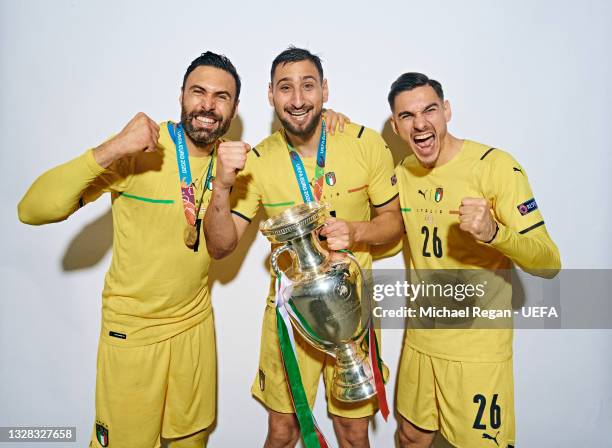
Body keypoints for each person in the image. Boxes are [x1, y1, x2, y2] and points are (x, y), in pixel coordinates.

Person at [203, 47, 403, 448]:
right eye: (285, 88)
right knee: (283, 430)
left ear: (325, 90)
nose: (297, 99)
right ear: (270, 95)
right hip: (291, 319)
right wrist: (222, 185)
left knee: (352, 431)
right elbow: (221, 245)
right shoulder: (257, 160)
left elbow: (394, 225)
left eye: (308, 86)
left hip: (352, 312)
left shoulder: (364, 144)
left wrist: (358, 231)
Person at [388, 72, 561, 448]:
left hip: (477, 351)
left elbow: (549, 263)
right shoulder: (403, 173)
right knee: (411, 436)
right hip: (420, 341)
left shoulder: (495, 166)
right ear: (395, 125)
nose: (420, 123)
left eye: (429, 110)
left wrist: (494, 233)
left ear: (446, 110)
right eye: (407, 116)